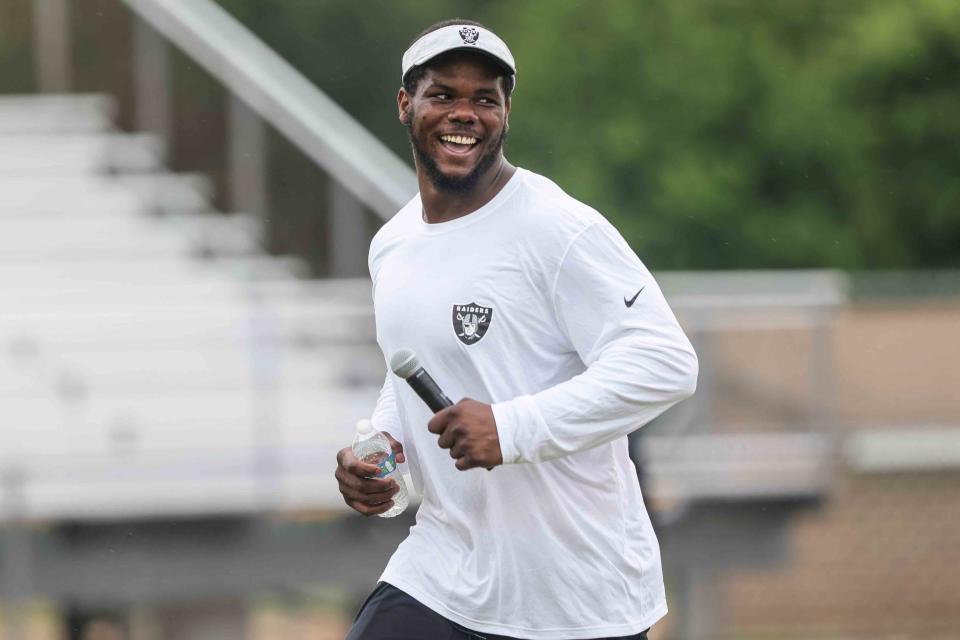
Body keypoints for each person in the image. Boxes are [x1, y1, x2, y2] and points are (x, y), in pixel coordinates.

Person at [336, 18, 698, 640]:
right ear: (406, 105)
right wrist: (384, 459)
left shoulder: (558, 229)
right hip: (444, 571)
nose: (464, 113)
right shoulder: (391, 245)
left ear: (507, 112)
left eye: (485, 99)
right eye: (443, 94)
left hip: (577, 596)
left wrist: (511, 427)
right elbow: (413, 374)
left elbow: (666, 362)